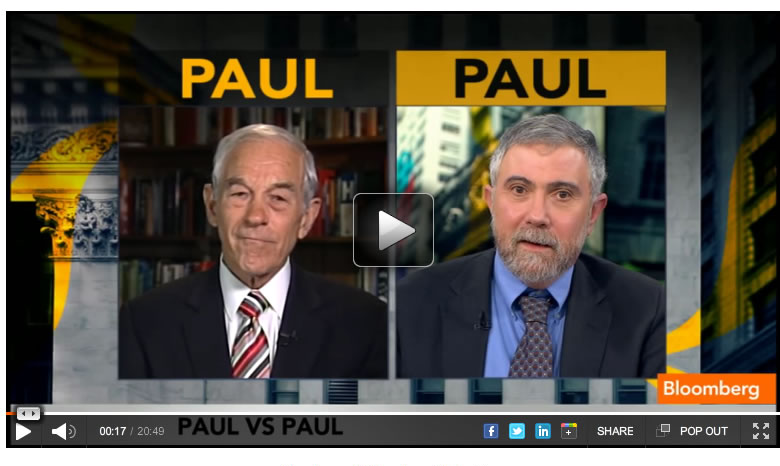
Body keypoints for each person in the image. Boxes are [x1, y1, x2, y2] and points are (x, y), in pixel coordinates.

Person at [397, 114, 665, 378]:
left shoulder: (649, 310)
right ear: (491, 202)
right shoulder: (412, 301)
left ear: (593, 214)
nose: (537, 216)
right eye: (519, 190)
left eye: (562, 195)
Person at [120, 124, 387, 379]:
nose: (256, 217)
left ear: (306, 218)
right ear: (212, 206)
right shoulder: (144, 321)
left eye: (278, 198)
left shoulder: (367, 322)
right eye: (240, 194)